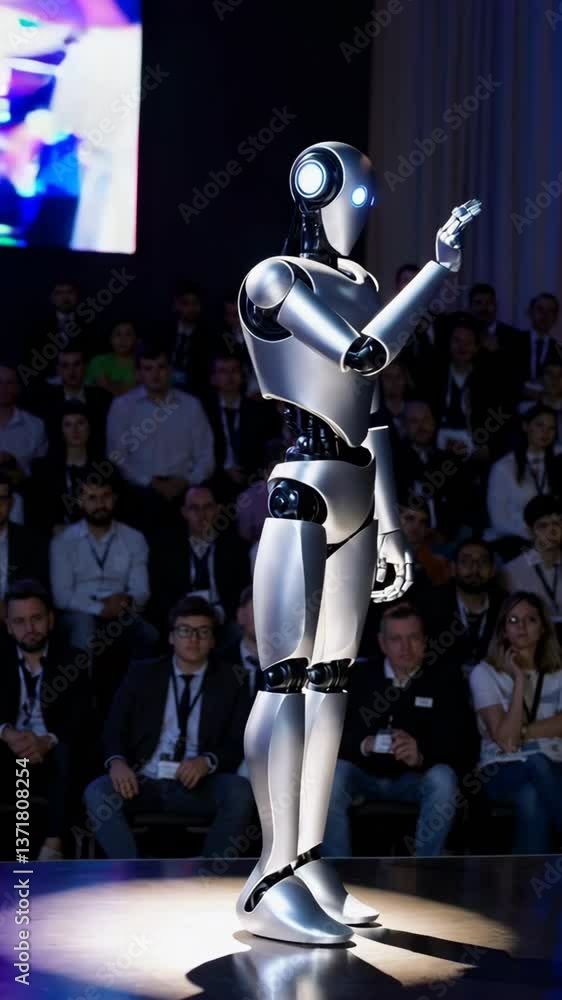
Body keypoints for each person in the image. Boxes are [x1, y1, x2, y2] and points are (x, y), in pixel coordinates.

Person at [83, 596, 254, 859]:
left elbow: (239, 740)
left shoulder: (232, 680)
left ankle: (210, 875)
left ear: (212, 640)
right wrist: (117, 762)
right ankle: (134, 874)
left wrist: (207, 761)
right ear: (171, 637)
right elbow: (114, 727)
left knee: (240, 791)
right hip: (142, 781)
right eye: (185, 630)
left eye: (202, 631)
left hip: (199, 783)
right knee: (97, 792)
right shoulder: (142, 674)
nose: (193, 639)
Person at [323, 605, 477, 858]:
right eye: (396, 639)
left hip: (415, 778)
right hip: (364, 774)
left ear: (424, 642)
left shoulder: (445, 680)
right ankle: (339, 869)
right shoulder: (359, 677)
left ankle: (426, 868)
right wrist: (363, 744)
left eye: (413, 638)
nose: (406, 647)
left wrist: (422, 753)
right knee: (331, 775)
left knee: (443, 779)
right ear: (382, 643)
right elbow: (326, 734)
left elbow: (465, 744)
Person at [0, 580, 91, 860]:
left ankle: (53, 845)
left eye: (36, 618)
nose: (29, 628)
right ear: (8, 626)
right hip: (8, 752)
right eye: (19, 621)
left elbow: (82, 718)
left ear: (50, 620)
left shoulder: (72, 659)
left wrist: (47, 741)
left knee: (68, 752)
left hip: (53, 756)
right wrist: (6, 733)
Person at [469, 591, 562, 853]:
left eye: (530, 619)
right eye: (513, 620)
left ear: (542, 628)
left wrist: (521, 732)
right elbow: (506, 743)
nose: (521, 626)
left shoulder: (558, 672)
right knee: (537, 761)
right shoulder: (484, 673)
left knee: (531, 797)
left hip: (556, 766)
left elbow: (512, 735)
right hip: (501, 768)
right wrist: (519, 680)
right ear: (503, 630)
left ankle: (528, 879)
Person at [49, 464, 158, 662]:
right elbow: (62, 597)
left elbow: (142, 590)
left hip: (122, 610)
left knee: (147, 633)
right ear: (80, 501)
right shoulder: (63, 542)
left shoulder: (134, 538)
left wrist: (125, 604)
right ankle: (82, 682)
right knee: (84, 627)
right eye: (92, 498)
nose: (100, 504)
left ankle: (139, 683)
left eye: (105, 496)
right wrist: (100, 608)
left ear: (114, 498)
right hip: (79, 612)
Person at [106, 344, 215, 532]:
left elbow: (206, 453)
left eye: (161, 367)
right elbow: (117, 456)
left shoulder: (191, 405)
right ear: (138, 373)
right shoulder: (122, 406)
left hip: (185, 492)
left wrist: (188, 481)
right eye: (148, 368)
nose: (155, 374)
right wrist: (149, 482)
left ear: (170, 370)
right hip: (139, 493)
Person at [149, 483, 251, 631]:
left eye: (207, 507)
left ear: (218, 510)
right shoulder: (166, 549)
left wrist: (220, 615)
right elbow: (161, 596)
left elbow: (241, 593)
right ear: (184, 512)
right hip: (182, 619)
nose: (201, 515)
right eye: (194, 508)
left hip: (224, 619)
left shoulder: (236, 548)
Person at [420, 538, 506, 679]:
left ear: (492, 571)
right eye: (466, 562)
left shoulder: (505, 605)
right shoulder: (431, 604)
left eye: (482, 562)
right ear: (453, 569)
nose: (475, 568)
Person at [486, 404, 561, 559]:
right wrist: (533, 532)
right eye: (539, 425)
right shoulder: (503, 467)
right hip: (514, 538)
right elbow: (498, 521)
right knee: (534, 557)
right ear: (526, 426)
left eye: (551, 428)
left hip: (550, 537)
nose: (545, 432)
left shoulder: (557, 463)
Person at [26, 402, 103, 536]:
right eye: (68, 425)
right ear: (60, 431)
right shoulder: (42, 470)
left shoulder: (104, 469)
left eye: (80, 423)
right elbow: (35, 513)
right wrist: (52, 527)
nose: (75, 430)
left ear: (89, 428)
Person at [502, 496, 562, 628]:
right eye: (543, 526)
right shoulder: (511, 571)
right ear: (530, 532)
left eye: (556, 524)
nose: (551, 531)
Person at [85, 320, 138, 396]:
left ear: (136, 339)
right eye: (118, 334)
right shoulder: (98, 361)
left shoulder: (141, 364)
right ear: (110, 339)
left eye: (128, 334)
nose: (123, 339)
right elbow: (105, 388)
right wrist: (128, 387)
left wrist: (112, 383)